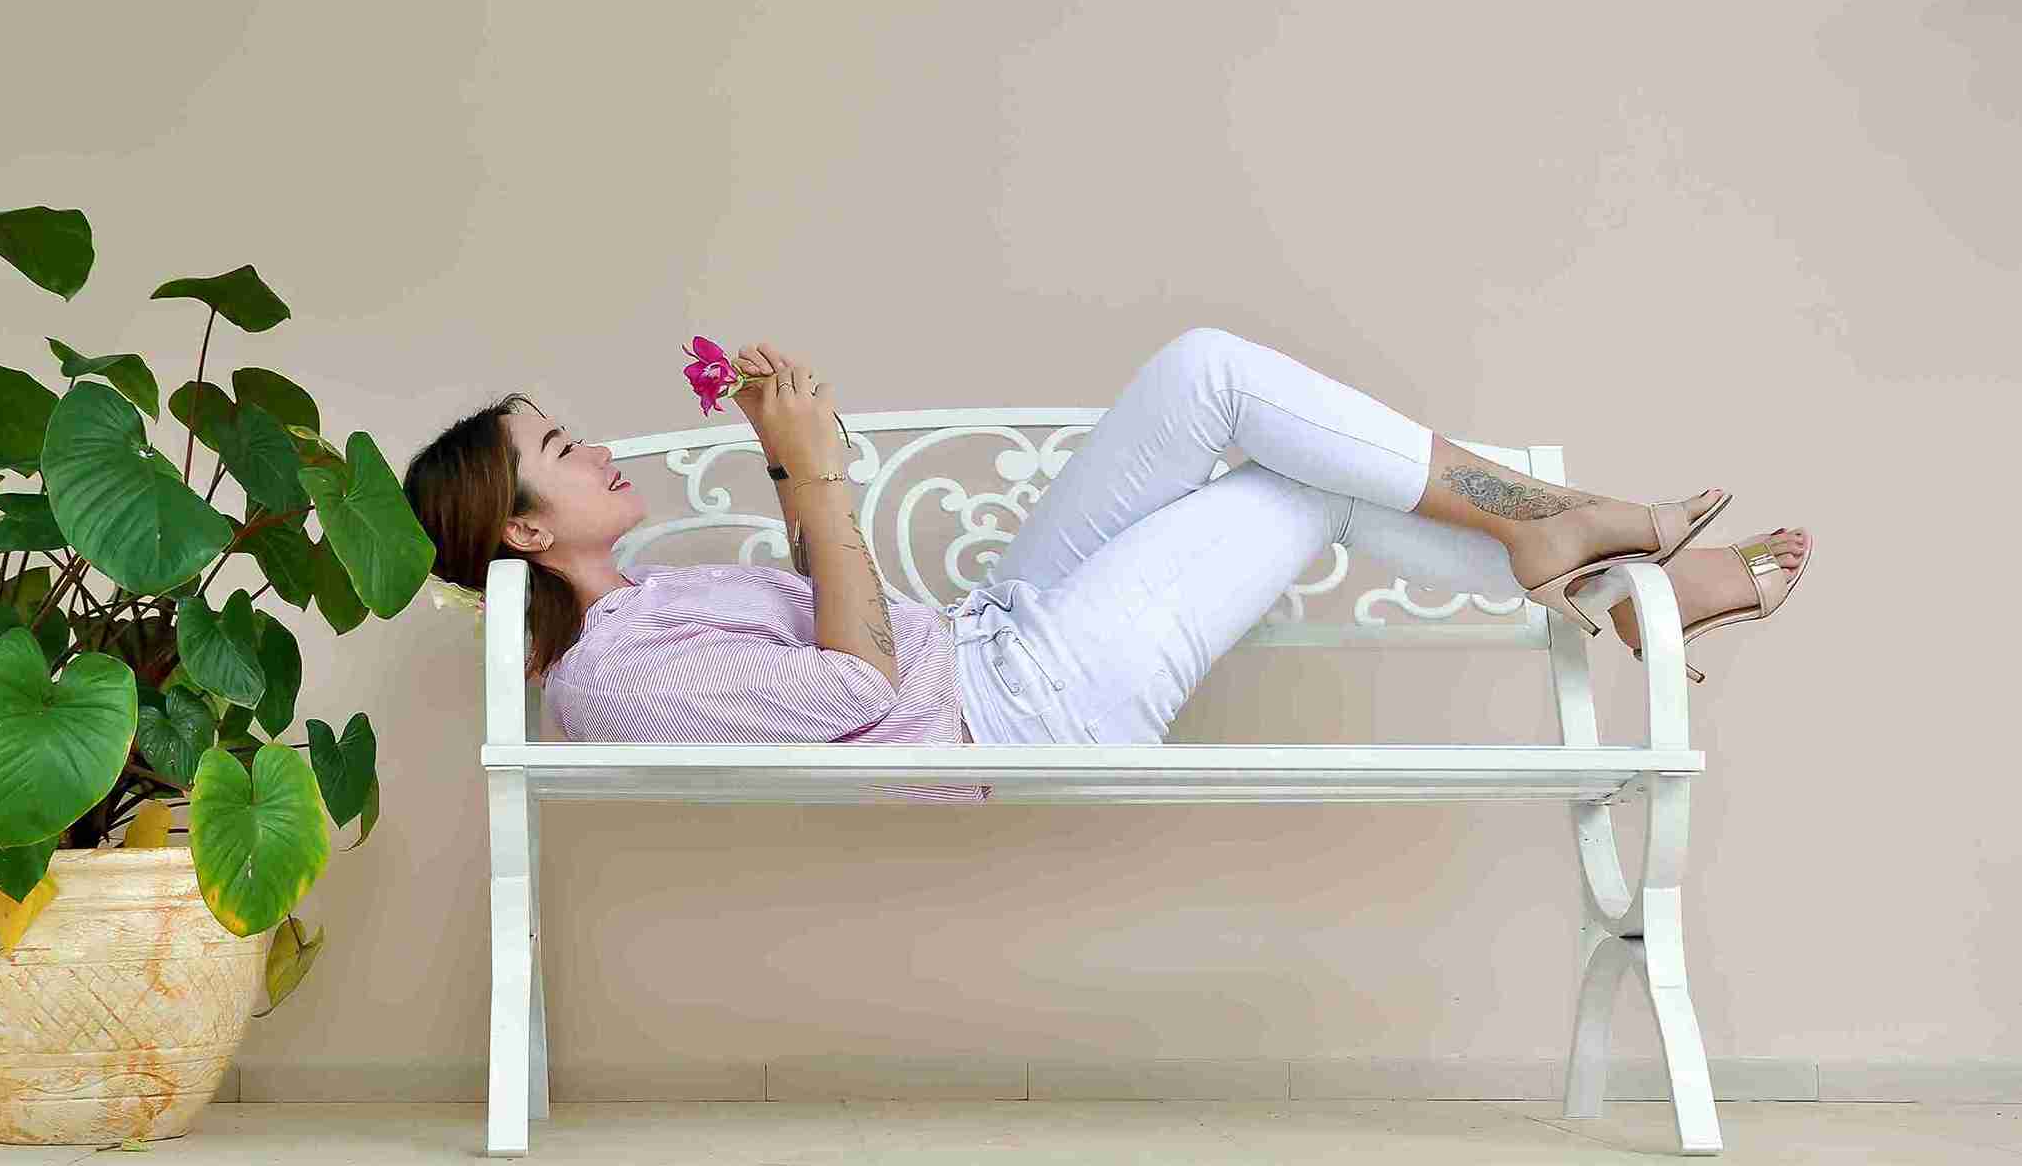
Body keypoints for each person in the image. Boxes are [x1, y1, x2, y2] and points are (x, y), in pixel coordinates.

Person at [399, 328, 1810, 796]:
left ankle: (1558, 531)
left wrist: (796, 468)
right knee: (1290, 477)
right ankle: (1590, 548)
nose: (596, 454)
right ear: (523, 530)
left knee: (1206, 375)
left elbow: (855, 640)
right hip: (1028, 702)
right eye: (564, 451)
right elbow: (848, 691)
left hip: (1003, 627)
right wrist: (811, 474)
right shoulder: (612, 684)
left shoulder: (651, 600)